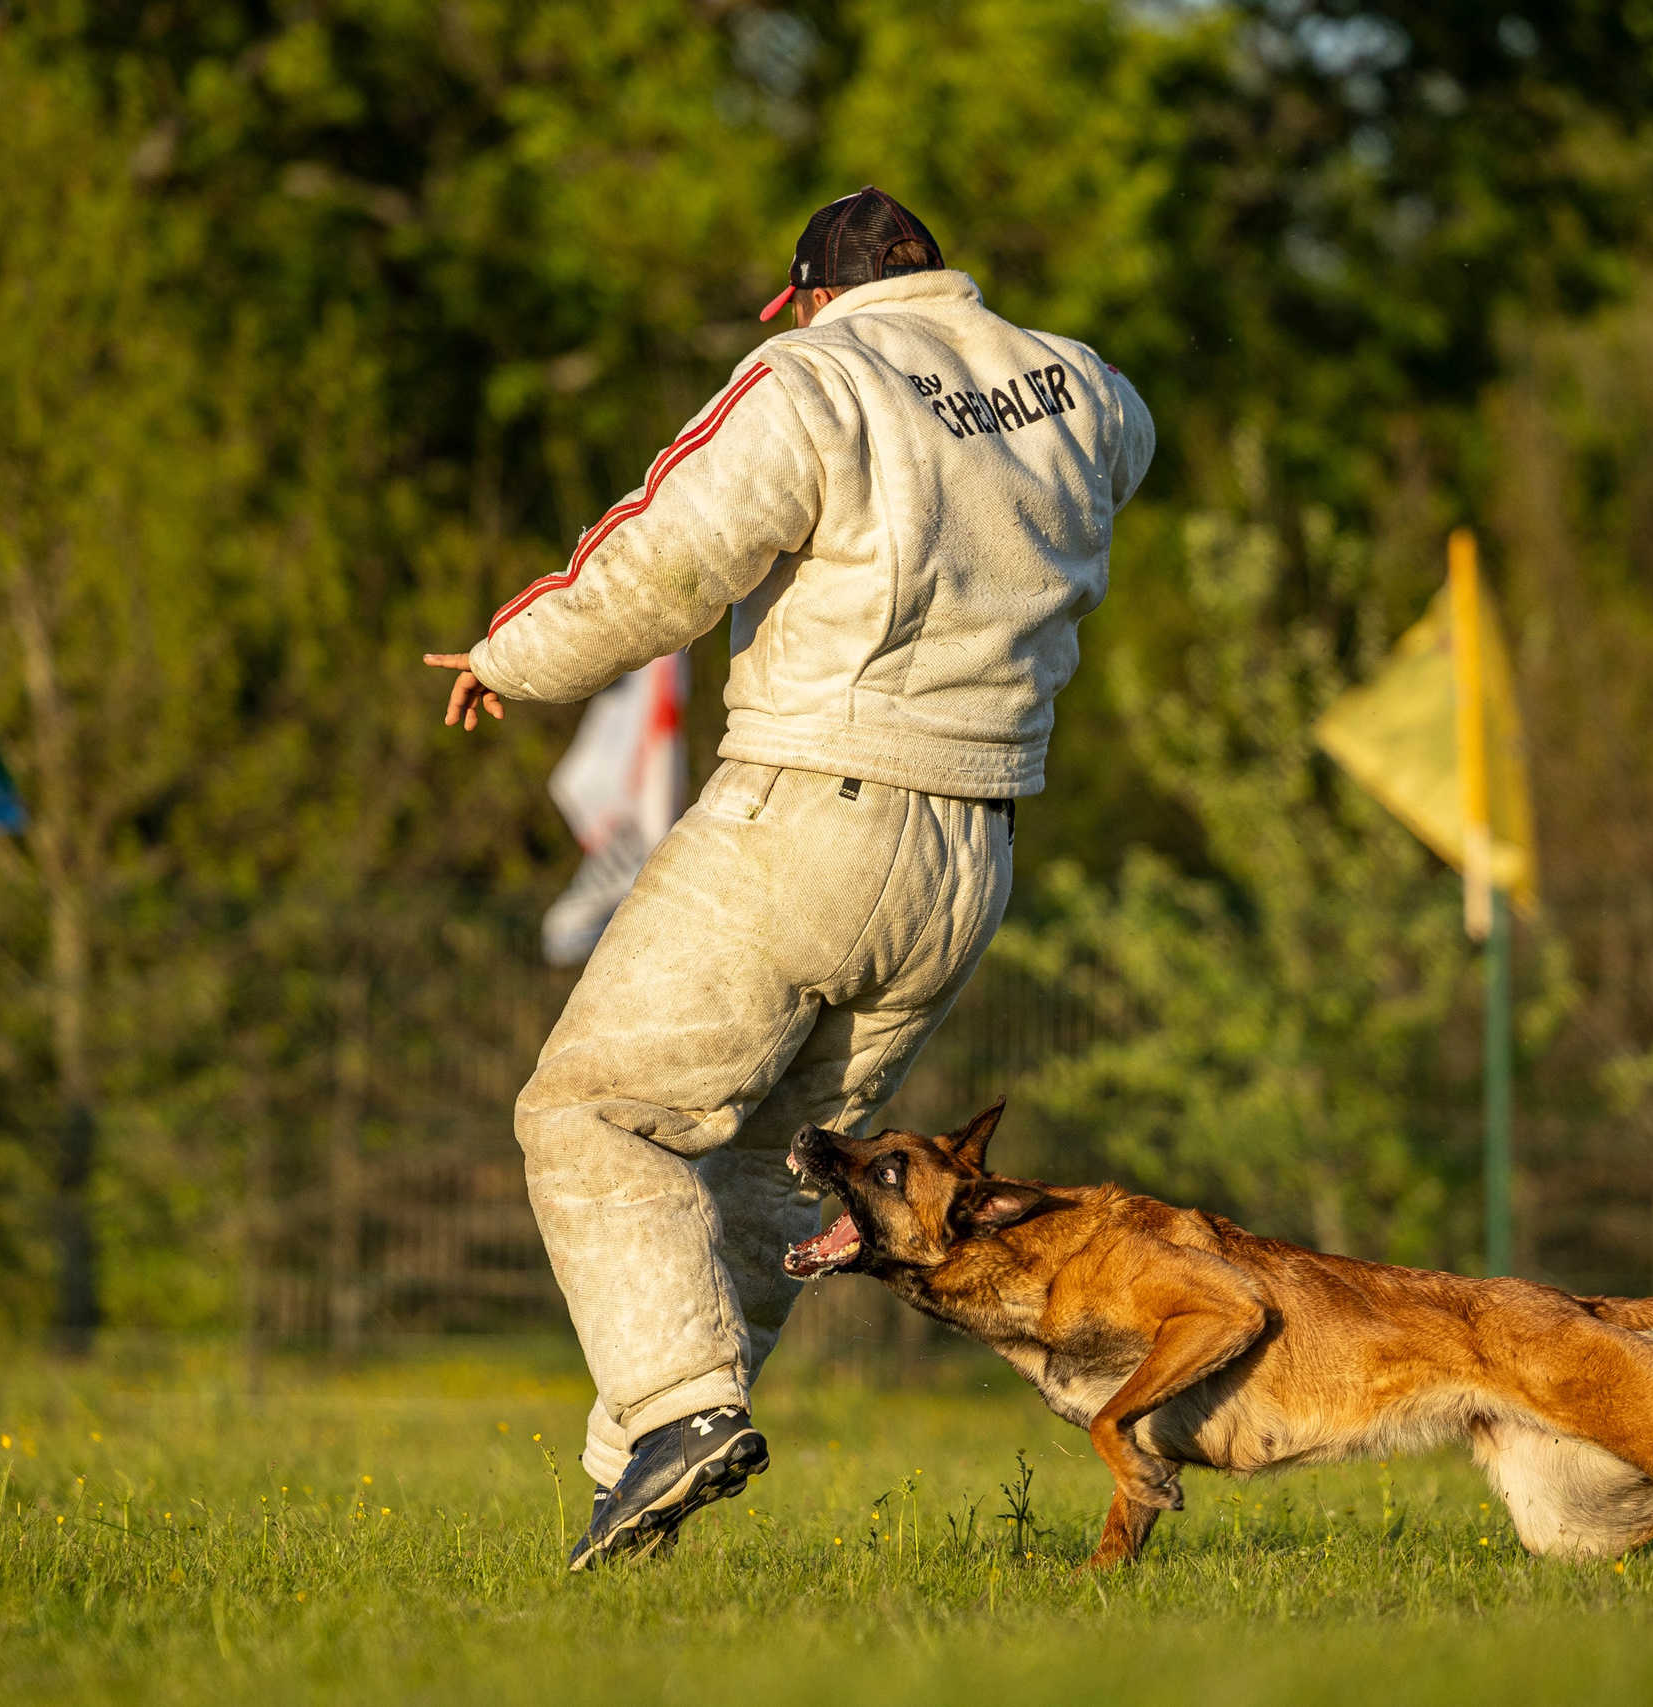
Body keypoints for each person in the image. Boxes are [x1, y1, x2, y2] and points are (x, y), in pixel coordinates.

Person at [424, 186, 1155, 1570]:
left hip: (816, 811)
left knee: (588, 1117)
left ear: (815, 296)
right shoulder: (1083, 387)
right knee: (776, 1171)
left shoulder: (815, 375)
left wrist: (510, 656)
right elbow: (1131, 447)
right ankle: (630, 1489)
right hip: (974, 848)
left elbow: (664, 555)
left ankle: (683, 1414)